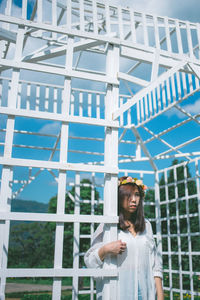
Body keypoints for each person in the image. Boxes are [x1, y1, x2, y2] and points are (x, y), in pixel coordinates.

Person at [84, 176, 164, 300]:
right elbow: (89, 261)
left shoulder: (146, 225)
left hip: (145, 292)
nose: (134, 200)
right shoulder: (107, 226)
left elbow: (156, 265)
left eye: (137, 195)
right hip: (118, 292)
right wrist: (105, 250)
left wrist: (160, 296)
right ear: (119, 197)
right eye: (128, 195)